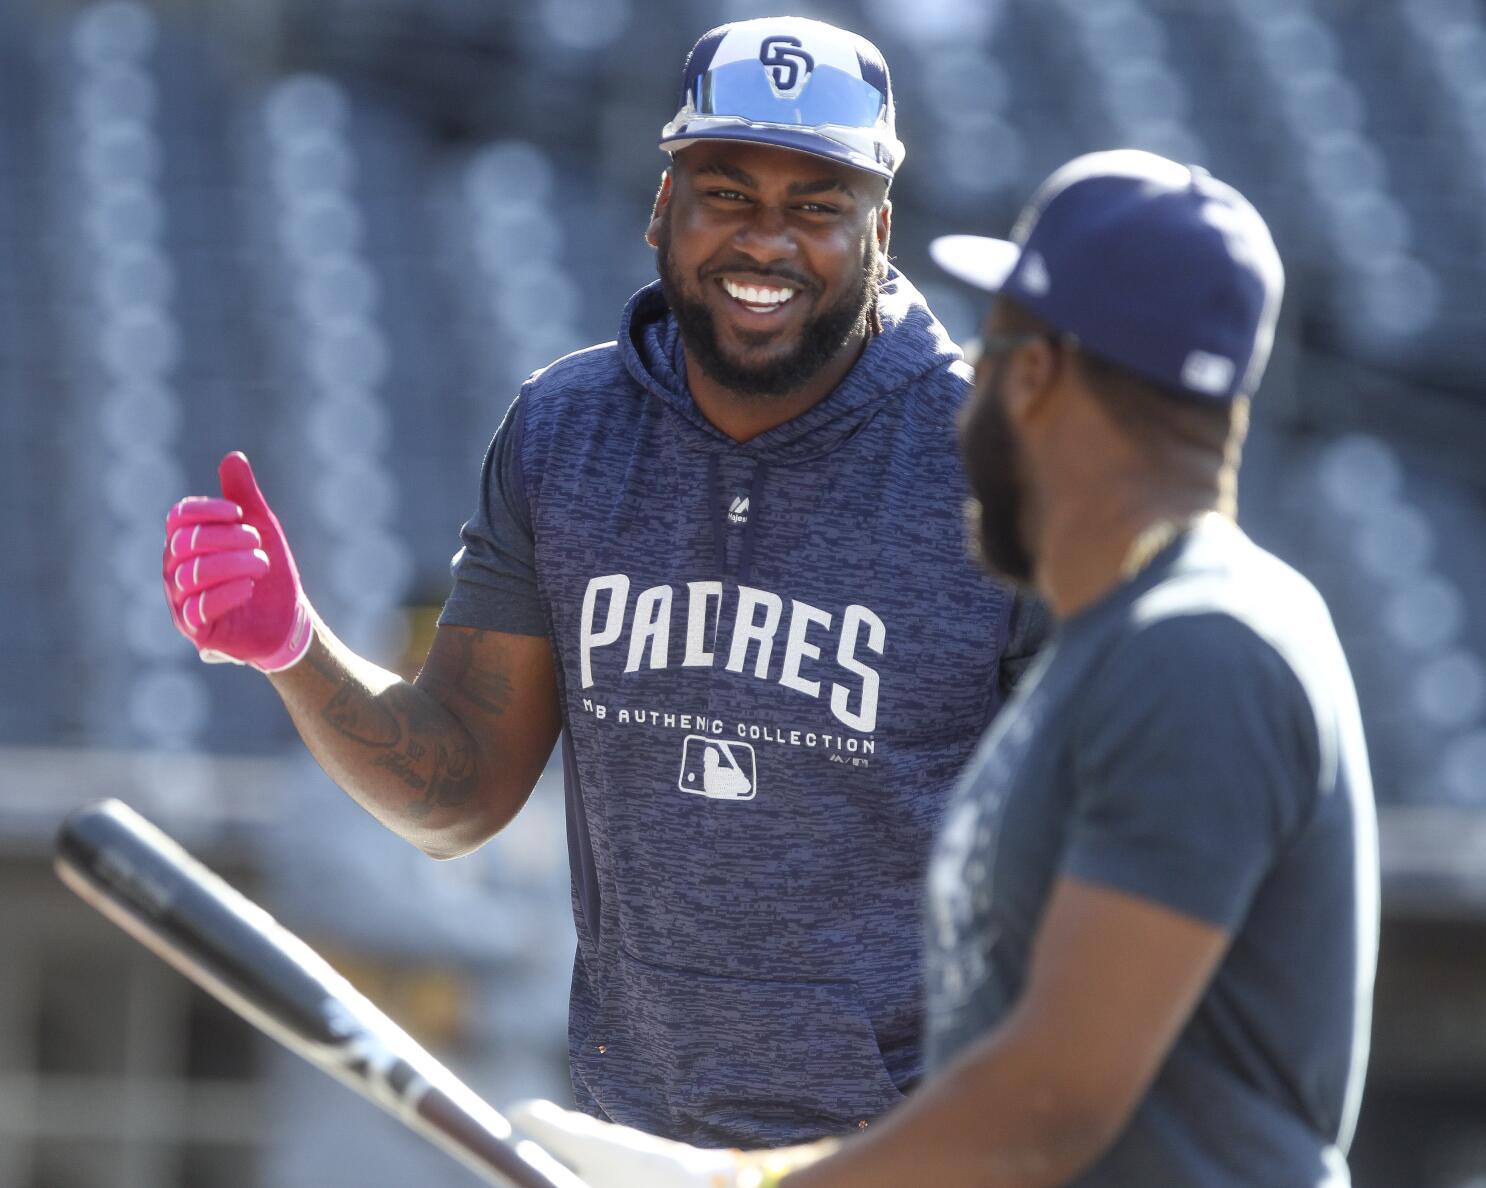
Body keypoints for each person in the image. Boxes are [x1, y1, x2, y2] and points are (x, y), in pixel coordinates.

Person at [161, 17, 1045, 1149]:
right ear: (661, 206)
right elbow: (464, 791)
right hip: (635, 1144)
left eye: (818, 206)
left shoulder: (995, 464)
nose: (765, 240)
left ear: (882, 227)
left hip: (904, 1154)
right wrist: (295, 650)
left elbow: (1084, 867)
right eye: (726, 192)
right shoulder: (564, 431)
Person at [507, 150, 1381, 1186]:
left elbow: (1044, 1106)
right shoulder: (1130, 643)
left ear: (1036, 375)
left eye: (988, 350)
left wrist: (737, 1184)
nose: (963, 413)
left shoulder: (1198, 648)